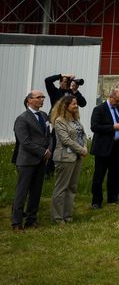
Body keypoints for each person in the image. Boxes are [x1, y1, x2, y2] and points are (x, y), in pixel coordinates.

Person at [12, 90, 51, 230]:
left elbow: (49, 135)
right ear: (29, 100)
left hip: (41, 160)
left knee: (36, 191)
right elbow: (25, 141)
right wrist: (43, 152)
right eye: (38, 97)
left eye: (43, 97)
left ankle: (31, 219)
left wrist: (49, 149)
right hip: (27, 161)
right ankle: (16, 222)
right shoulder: (22, 118)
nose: (42, 99)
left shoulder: (44, 116)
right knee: (22, 192)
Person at [50, 94, 88, 223]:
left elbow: (82, 134)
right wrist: (81, 150)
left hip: (77, 157)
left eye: (76, 103)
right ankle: (57, 217)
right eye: (73, 104)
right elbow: (65, 140)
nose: (76, 106)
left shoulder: (75, 120)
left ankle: (68, 216)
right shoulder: (60, 121)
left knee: (72, 187)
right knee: (61, 188)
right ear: (65, 106)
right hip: (64, 158)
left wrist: (85, 146)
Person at [89, 86, 119, 209]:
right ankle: (96, 201)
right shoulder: (99, 109)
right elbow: (94, 127)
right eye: (117, 100)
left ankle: (112, 197)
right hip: (103, 146)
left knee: (115, 173)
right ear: (110, 97)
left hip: (117, 145)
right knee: (99, 175)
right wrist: (112, 127)